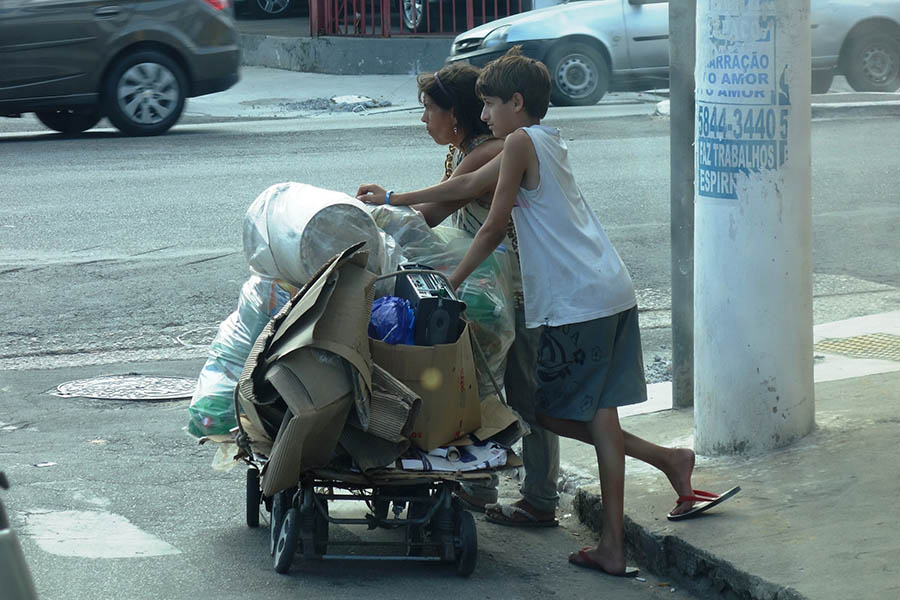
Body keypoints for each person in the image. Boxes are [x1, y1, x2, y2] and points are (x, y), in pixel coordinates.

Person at [358, 59, 709, 528]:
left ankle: (551, 496)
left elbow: (479, 219)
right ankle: (646, 487)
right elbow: (461, 190)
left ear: (514, 103)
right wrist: (391, 200)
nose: (485, 115)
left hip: (553, 296)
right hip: (594, 291)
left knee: (537, 406)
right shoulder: (537, 140)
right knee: (564, 410)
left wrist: (451, 279)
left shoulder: (514, 143)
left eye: (490, 104)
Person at [357, 62, 563, 523]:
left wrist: (383, 206)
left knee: (515, 391)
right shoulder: (466, 149)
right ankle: (493, 485)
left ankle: (525, 495)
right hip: (494, 287)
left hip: (516, 291)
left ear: (455, 113)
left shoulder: (486, 151)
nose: (424, 120)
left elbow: (433, 214)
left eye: (429, 109)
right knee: (488, 385)